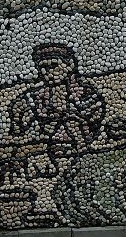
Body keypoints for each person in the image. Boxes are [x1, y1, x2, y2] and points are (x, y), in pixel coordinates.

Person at [6, 43, 105, 179]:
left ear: (69, 65)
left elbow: (94, 123)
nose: (47, 72)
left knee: (72, 121)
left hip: (78, 148)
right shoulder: (35, 97)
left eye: (53, 66)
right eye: (42, 68)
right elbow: (18, 126)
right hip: (44, 151)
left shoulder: (85, 94)